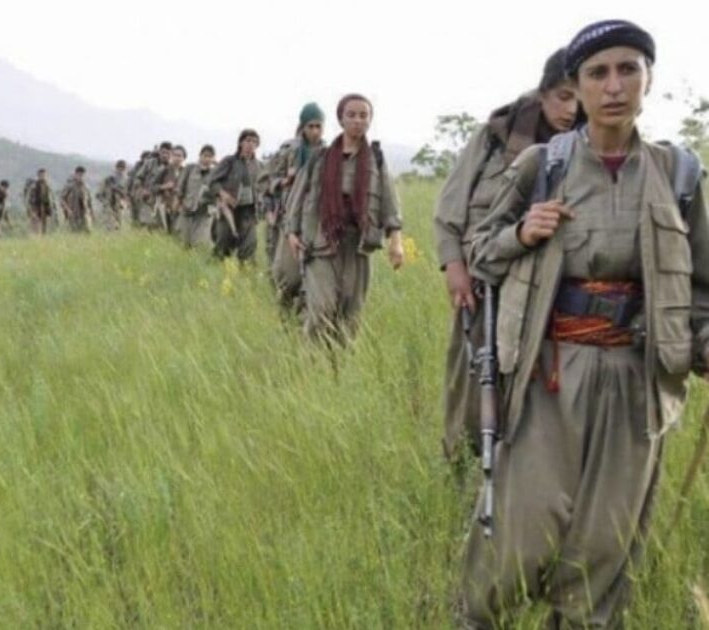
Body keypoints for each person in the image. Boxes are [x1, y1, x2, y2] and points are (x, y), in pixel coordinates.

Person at [462, 21, 708, 628]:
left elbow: (701, 285)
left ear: (648, 79)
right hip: (549, 375)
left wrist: (703, 343)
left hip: (638, 379)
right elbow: (479, 250)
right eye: (598, 73)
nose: (614, 85)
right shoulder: (542, 166)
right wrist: (523, 232)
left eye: (629, 69)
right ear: (575, 87)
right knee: (520, 533)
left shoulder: (679, 176)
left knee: (605, 542)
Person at [435, 48, 579, 461]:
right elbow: (451, 206)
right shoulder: (496, 135)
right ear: (543, 91)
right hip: (484, 281)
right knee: (472, 387)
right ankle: (461, 471)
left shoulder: (587, 147)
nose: (571, 110)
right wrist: (454, 265)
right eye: (562, 97)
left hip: (550, 290)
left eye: (577, 98)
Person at [287, 95, 404, 345]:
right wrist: (291, 233)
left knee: (351, 317)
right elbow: (297, 195)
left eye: (363, 115)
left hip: (358, 246)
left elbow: (389, 202)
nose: (357, 120)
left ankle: (340, 371)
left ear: (370, 120)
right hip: (321, 242)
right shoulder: (321, 158)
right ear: (340, 119)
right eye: (351, 115)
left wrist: (396, 241)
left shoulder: (375, 159)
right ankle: (311, 365)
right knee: (321, 311)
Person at [272, 103, 328, 314]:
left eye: (319, 127)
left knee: (313, 275)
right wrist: (285, 180)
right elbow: (266, 181)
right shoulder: (288, 151)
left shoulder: (328, 154)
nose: (315, 131)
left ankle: (304, 317)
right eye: (310, 126)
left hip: (315, 219)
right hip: (289, 217)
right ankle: (284, 314)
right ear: (302, 126)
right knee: (289, 276)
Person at [204, 129, 264, 263]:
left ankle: (244, 277)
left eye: (254, 142)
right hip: (228, 211)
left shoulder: (259, 166)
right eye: (248, 140)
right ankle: (213, 273)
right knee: (223, 246)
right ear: (241, 142)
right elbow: (211, 181)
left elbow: (264, 187)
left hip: (248, 213)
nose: (251, 144)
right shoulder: (229, 161)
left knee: (249, 247)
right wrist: (221, 193)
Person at [176, 145, 217, 248]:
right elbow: (181, 187)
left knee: (199, 242)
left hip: (204, 213)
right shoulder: (190, 169)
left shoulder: (215, 173)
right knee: (184, 242)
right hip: (187, 209)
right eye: (205, 156)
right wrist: (178, 202)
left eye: (210, 156)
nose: (207, 159)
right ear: (200, 156)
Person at [98, 160, 130, 230]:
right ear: (116, 168)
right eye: (120, 168)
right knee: (110, 226)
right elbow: (99, 194)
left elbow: (128, 195)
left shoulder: (127, 180)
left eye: (123, 168)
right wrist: (105, 202)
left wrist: (126, 203)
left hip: (120, 206)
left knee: (119, 226)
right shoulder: (108, 179)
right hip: (109, 205)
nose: (121, 170)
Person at [62, 167, 95, 233]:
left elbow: (89, 202)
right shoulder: (70, 186)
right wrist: (68, 210)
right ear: (75, 174)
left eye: (82, 175)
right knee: (75, 232)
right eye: (79, 175)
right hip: (73, 213)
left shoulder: (86, 187)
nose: (81, 177)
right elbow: (62, 199)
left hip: (85, 214)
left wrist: (92, 213)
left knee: (88, 232)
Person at [26, 169, 55, 235]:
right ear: (38, 176)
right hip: (36, 209)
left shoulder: (48, 186)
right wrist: (31, 212)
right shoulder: (33, 187)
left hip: (45, 209)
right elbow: (28, 201)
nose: (43, 176)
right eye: (41, 175)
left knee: (45, 229)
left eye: (44, 175)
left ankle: (43, 242)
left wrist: (51, 209)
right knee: (36, 230)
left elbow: (51, 199)